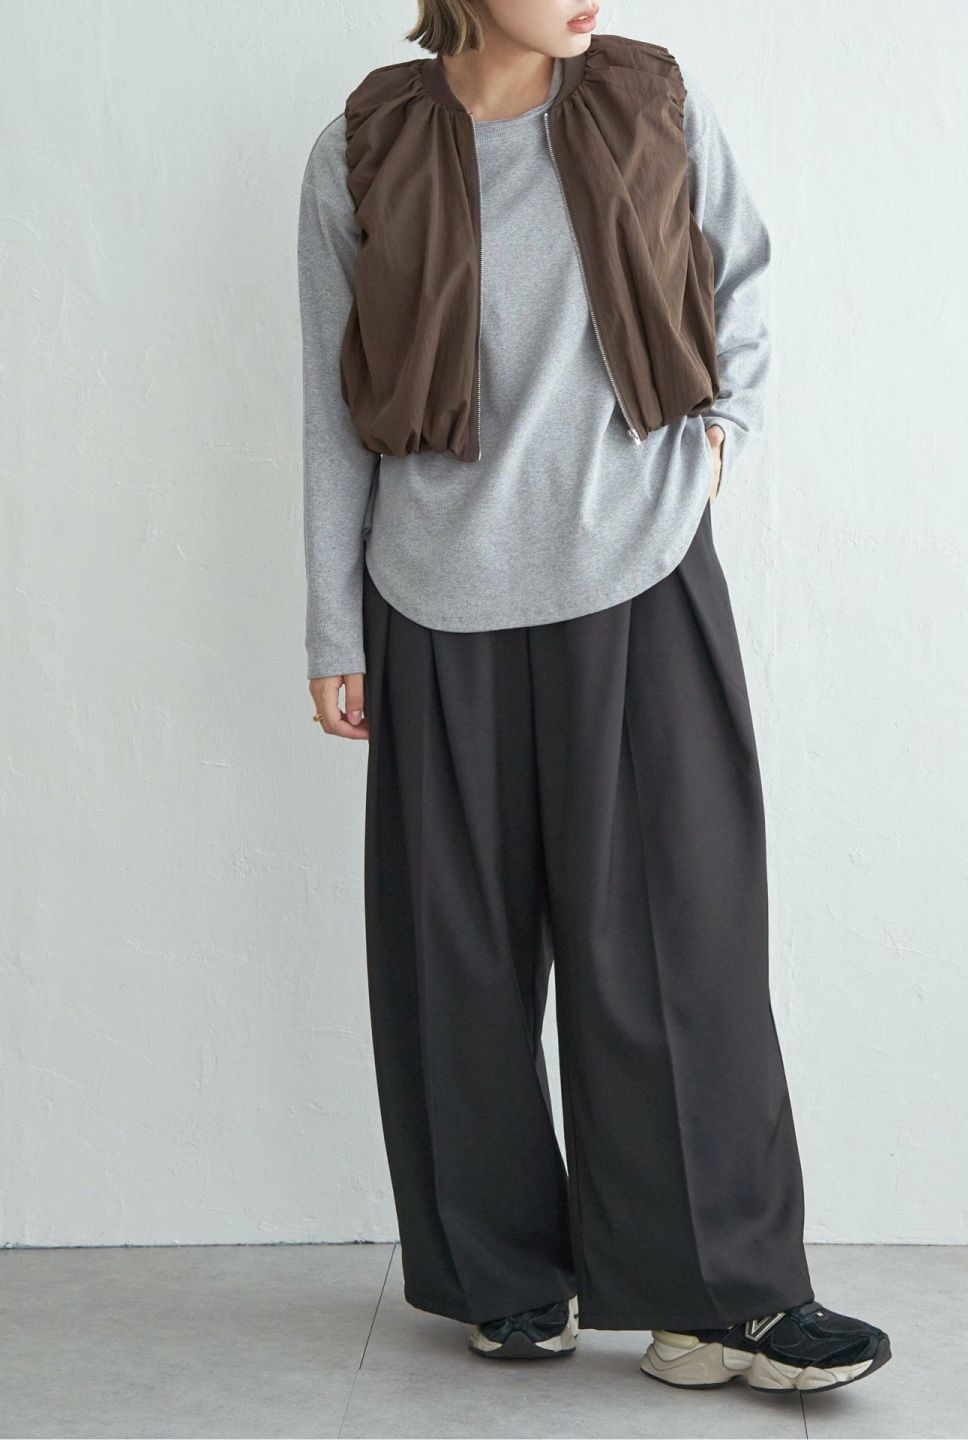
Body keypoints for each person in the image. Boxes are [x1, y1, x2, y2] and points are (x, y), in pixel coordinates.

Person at [298, 0, 891, 1396]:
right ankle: (503, 1279)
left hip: (636, 570)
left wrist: (717, 448)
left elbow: (739, 273)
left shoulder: (651, 100)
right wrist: (333, 623)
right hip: (433, 596)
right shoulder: (363, 143)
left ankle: (723, 1300)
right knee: (458, 959)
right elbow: (329, 399)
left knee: (678, 946)